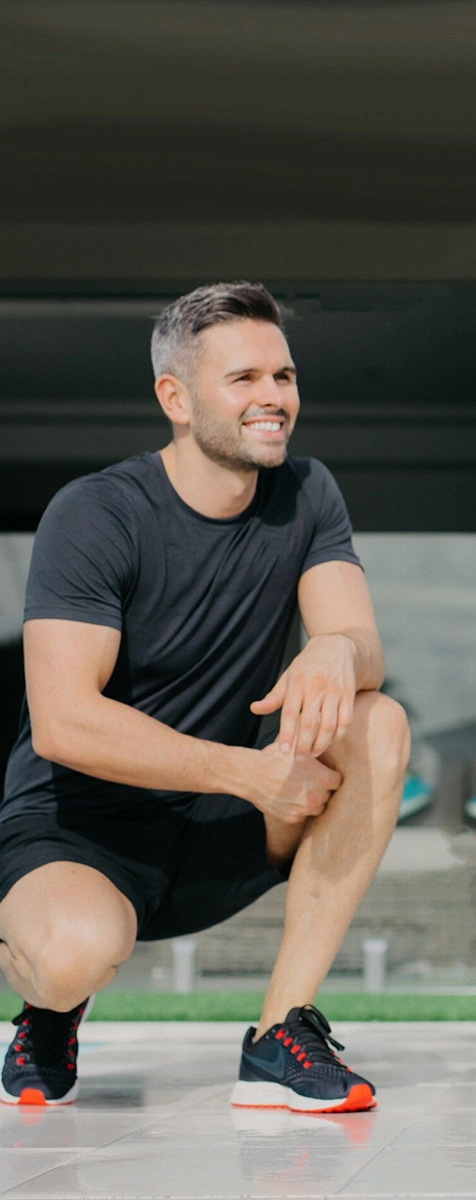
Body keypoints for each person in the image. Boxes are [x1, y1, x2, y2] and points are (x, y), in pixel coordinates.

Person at [0, 282, 409, 1114]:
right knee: (72, 954)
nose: (274, 397)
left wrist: (336, 646)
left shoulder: (307, 493)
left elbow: (361, 644)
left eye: (283, 376)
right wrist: (247, 774)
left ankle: (279, 1035)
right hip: (84, 829)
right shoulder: (97, 512)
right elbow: (63, 722)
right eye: (244, 378)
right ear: (176, 399)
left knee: (379, 721)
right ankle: (48, 1008)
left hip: (226, 824)